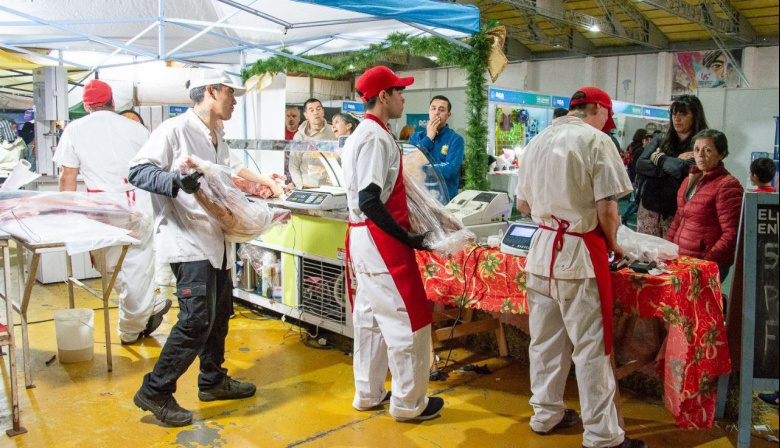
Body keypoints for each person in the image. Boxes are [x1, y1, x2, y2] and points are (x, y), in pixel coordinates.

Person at [516, 86, 646, 448]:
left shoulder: (538, 140)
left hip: (541, 250)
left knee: (544, 342)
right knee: (591, 347)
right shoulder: (597, 141)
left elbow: (524, 205)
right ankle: (603, 436)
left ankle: (545, 414)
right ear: (600, 110)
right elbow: (607, 208)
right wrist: (616, 245)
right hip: (578, 253)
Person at [128, 69, 256, 427]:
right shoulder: (174, 130)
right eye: (232, 93)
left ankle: (213, 380)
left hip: (218, 240)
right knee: (196, 319)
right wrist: (175, 181)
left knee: (218, 317)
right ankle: (156, 390)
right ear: (212, 91)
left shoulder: (218, 137)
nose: (235, 101)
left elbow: (224, 181)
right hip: (187, 241)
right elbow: (137, 171)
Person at [342, 66, 443, 422]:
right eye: (399, 91)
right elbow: (370, 199)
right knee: (408, 320)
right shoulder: (374, 137)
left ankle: (368, 393)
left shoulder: (364, 133)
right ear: (383, 96)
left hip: (362, 236)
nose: (403, 98)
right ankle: (409, 403)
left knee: (369, 317)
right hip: (380, 239)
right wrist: (408, 238)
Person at [53, 79, 171, 345]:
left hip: (102, 209)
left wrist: (67, 214)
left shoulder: (75, 129)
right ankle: (147, 307)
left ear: (86, 105)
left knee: (110, 266)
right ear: (113, 103)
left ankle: (132, 327)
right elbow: (155, 168)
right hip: (137, 204)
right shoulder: (136, 128)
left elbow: (67, 175)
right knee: (138, 266)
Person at [665, 129, 744, 281]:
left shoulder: (727, 185)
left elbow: (731, 233)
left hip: (704, 264)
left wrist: (707, 262)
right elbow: (678, 219)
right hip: (682, 260)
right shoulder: (689, 180)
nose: (700, 155)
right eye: (696, 149)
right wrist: (666, 249)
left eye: (707, 150)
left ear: (721, 154)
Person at [635, 95, 709, 237]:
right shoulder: (662, 138)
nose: (677, 118)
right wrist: (672, 163)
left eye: (683, 113)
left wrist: (658, 158)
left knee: (672, 254)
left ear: (695, 116)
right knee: (646, 254)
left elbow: (682, 170)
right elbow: (640, 164)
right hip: (649, 206)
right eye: (674, 113)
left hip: (678, 211)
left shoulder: (701, 142)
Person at [409, 95, 465, 202]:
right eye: (433, 108)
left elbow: (451, 169)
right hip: (419, 199)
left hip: (444, 201)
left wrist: (423, 168)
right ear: (429, 111)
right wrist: (429, 138)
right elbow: (410, 163)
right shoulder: (416, 137)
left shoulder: (456, 140)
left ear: (448, 115)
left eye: (441, 109)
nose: (436, 112)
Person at [289, 98, 336, 188]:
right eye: (311, 110)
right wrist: (300, 186)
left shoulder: (334, 131)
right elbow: (293, 166)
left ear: (323, 112)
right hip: (308, 186)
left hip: (332, 186)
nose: (316, 112)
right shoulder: (300, 136)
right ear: (306, 115)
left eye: (318, 109)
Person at [621, 130, 653, 224]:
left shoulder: (631, 145)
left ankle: (626, 215)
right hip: (638, 176)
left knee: (634, 198)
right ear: (644, 140)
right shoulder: (641, 150)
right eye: (648, 140)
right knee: (636, 199)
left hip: (632, 173)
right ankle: (625, 215)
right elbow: (638, 165)